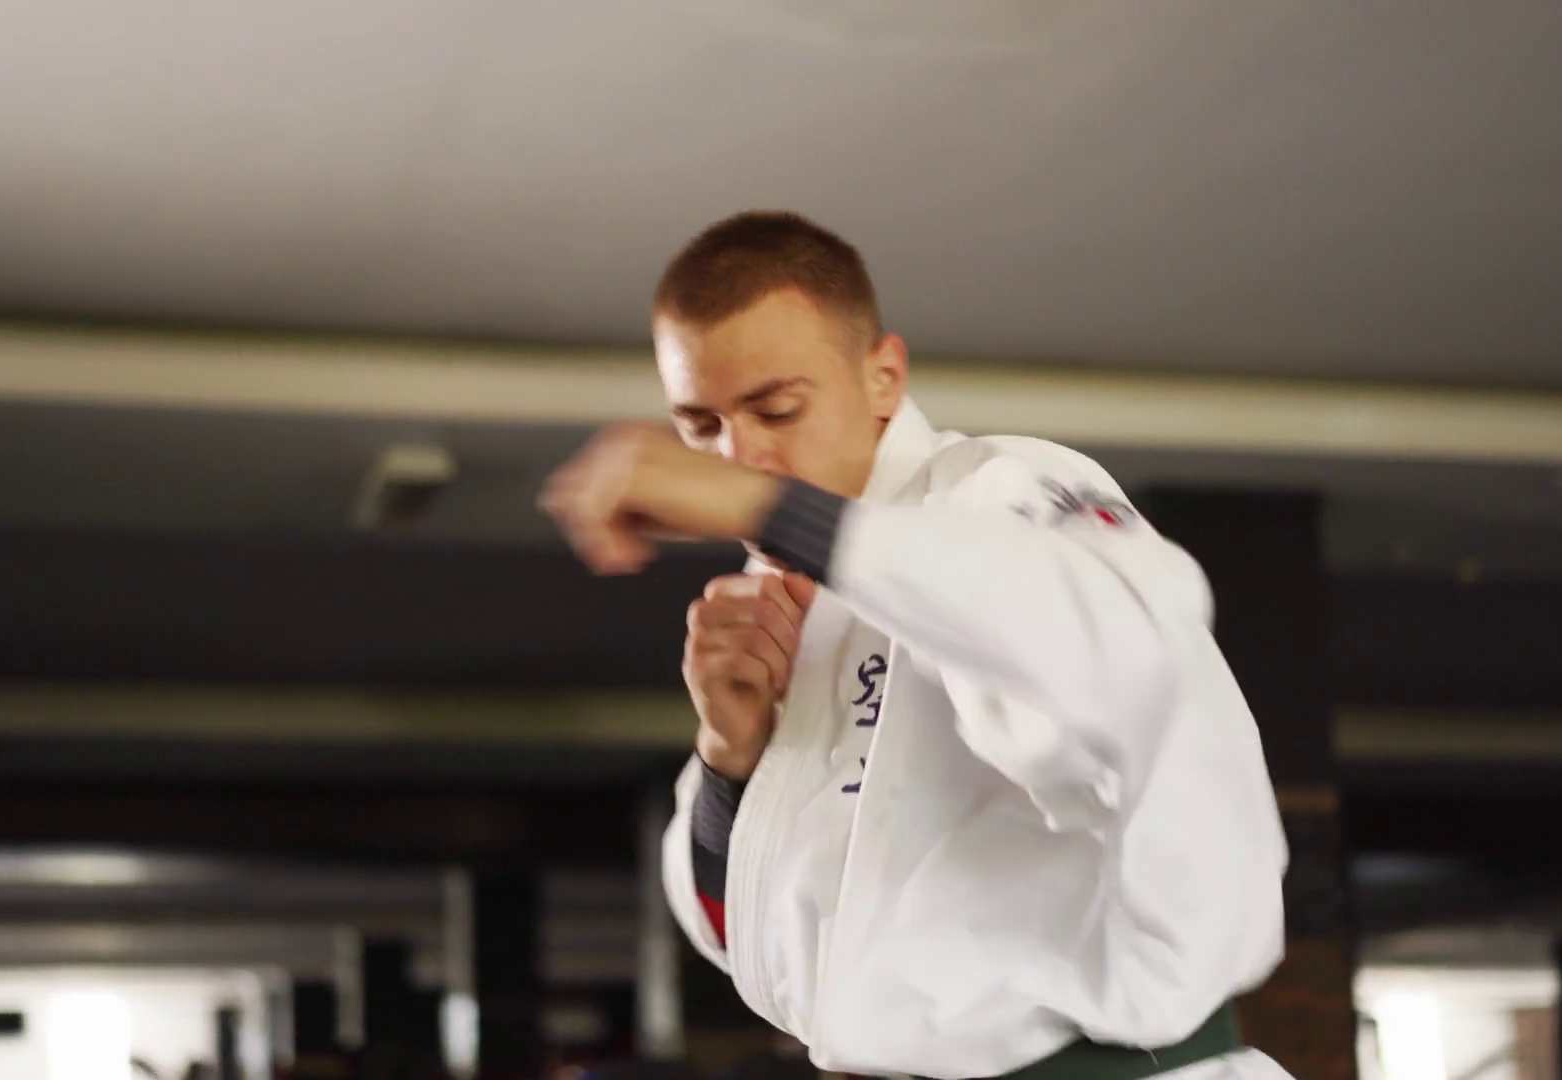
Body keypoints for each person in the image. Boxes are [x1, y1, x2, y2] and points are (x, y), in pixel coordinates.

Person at [540, 211, 1291, 1079]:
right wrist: (728, 757)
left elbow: (1122, 640)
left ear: (884, 377)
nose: (738, 455)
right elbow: (757, 947)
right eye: (701, 426)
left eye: (776, 409)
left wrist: (773, 510)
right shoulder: (787, 602)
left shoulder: (998, 492)